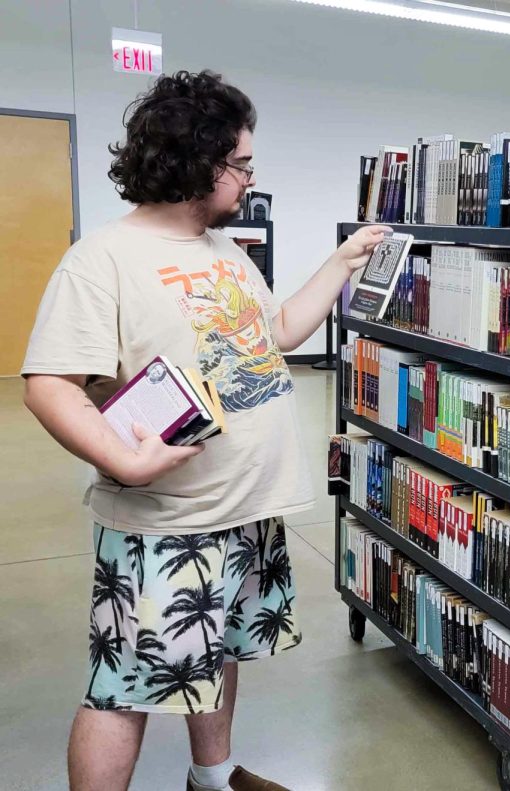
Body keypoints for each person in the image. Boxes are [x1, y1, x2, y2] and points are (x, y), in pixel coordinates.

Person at [21, 69, 387, 791]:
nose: (251, 178)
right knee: (124, 686)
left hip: (244, 511)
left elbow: (277, 332)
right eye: (242, 164)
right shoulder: (103, 260)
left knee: (216, 653)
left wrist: (343, 262)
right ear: (199, 162)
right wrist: (121, 461)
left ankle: (212, 777)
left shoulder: (227, 254)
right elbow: (49, 385)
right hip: (168, 520)